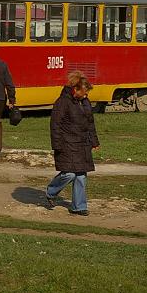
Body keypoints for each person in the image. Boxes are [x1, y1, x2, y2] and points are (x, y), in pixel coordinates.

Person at [45, 70, 100, 216]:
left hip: (82, 144)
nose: (86, 95)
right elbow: (55, 124)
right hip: (66, 143)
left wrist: (94, 141)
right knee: (69, 174)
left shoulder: (85, 102)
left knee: (81, 175)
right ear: (75, 89)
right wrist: (57, 145)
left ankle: (79, 207)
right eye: (84, 92)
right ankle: (51, 192)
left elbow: (90, 123)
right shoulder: (62, 102)